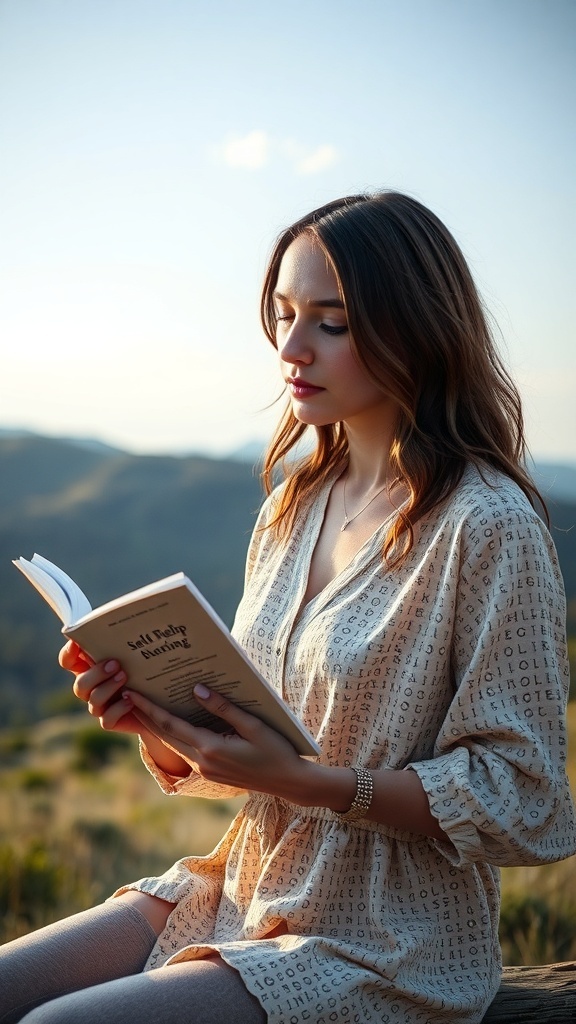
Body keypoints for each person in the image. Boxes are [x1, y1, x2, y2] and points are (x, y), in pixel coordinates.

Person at [1, 191, 575, 1024]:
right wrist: (154, 725)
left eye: (332, 323)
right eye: (283, 315)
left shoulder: (490, 526)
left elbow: (527, 801)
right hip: (244, 883)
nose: (292, 348)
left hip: (387, 938)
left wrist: (319, 786)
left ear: (417, 329)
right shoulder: (290, 508)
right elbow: (261, 735)